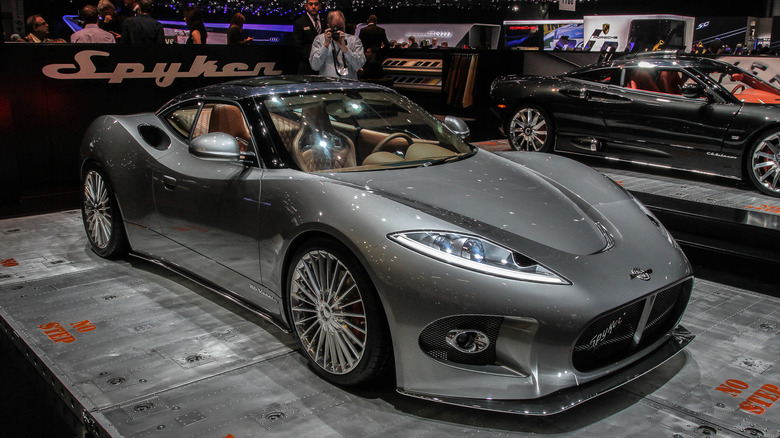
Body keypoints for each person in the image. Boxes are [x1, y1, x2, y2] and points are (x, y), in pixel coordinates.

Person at [309, 10, 365, 80]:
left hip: (349, 85)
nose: (339, 31)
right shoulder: (319, 40)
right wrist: (325, 45)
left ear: (344, 24)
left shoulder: (354, 40)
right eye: (335, 28)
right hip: (328, 86)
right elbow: (315, 66)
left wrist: (344, 48)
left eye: (341, 28)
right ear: (328, 26)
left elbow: (358, 65)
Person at [293, 0, 324, 74]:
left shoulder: (325, 21)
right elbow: (298, 45)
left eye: (316, 4)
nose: (313, 7)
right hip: (306, 64)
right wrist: (313, 58)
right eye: (311, 4)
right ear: (306, 6)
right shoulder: (299, 23)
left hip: (324, 65)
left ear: (320, 6)